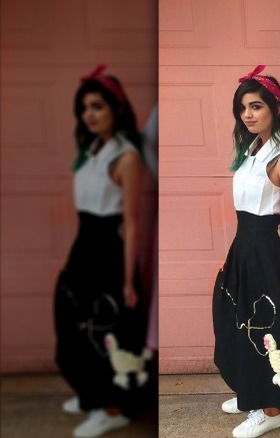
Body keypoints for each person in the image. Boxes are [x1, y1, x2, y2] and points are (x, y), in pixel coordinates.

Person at [212, 65, 280, 438]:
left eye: (256, 106)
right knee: (238, 317)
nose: (248, 114)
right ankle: (251, 394)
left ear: (275, 108)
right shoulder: (252, 149)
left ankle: (274, 409)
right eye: (243, 108)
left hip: (268, 252)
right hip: (245, 243)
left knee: (268, 325)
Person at [55, 64, 152, 438]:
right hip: (84, 246)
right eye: (84, 108)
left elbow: (129, 223)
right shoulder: (92, 150)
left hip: (109, 254)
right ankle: (89, 394)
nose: (89, 115)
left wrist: (128, 282)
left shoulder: (126, 157)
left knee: (103, 333)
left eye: (97, 106)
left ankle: (111, 408)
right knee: (73, 328)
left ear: (115, 108)